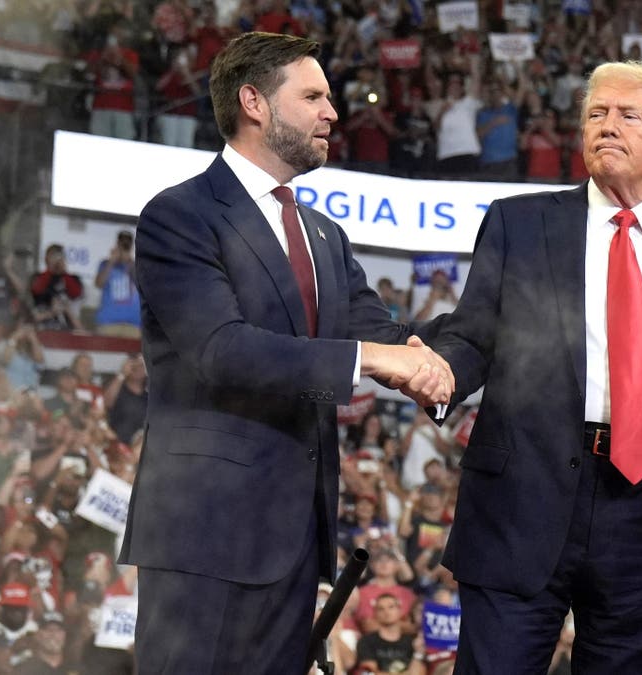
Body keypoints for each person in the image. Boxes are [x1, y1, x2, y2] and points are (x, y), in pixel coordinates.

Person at [117, 31, 455, 674]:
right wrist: (377, 360)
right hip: (204, 535)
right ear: (254, 102)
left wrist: (468, 348)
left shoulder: (322, 232)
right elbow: (221, 350)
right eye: (314, 96)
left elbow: (383, 332)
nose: (333, 111)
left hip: (297, 541)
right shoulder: (181, 215)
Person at [433, 60, 642, 673]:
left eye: (628, 115)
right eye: (596, 113)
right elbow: (472, 338)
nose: (607, 125)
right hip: (523, 499)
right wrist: (433, 371)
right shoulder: (519, 224)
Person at [92, 230, 141, 337]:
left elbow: (143, 287)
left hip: (133, 324)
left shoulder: (137, 266)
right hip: (108, 323)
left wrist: (129, 262)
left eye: (127, 244)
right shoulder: (105, 263)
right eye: (122, 243)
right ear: (117, 244)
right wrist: (111, 262)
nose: (124, 246)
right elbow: (98, 284)